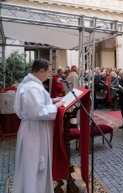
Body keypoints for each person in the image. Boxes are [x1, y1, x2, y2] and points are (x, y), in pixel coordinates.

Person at [12, 59, 65, 193]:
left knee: (32, 164)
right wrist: (56, 106)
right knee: (34, 165)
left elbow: (36, 104)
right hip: (35, 130)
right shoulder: (32, 88)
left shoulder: (30, 85)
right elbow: (38, 112)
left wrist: (52, 100)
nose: (49, 75)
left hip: (33, 128)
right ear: (41, 71)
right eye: (48, 72)